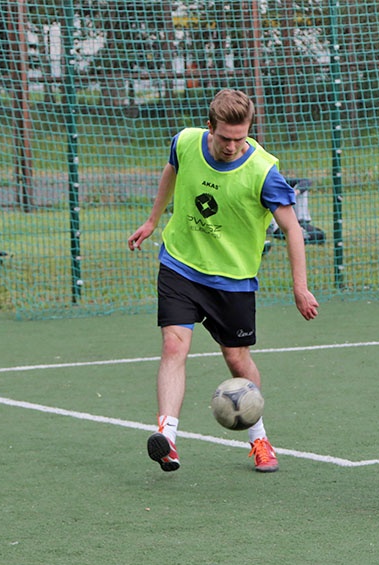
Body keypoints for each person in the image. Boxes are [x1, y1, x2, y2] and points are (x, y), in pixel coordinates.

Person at [128, 89, 319, 473]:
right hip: (180, 264)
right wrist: (152, 220)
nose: (233, 145)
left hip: (232, 280)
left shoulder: (263, 171)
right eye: (225, 137)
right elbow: (172, 170)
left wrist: (300, 286)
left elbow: (293, 229)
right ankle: (167, 437)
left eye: (241, 137)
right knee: (173, 344)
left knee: (236, 358)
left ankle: (259, 438)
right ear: (210, 126)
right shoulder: (185, 142)